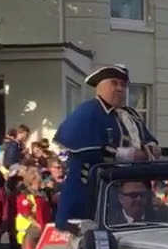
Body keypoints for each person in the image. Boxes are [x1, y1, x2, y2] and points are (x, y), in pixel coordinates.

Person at [53, 64, 159, 229]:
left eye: (123, 85)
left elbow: (148, 139)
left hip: (126, 192)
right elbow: (86, 151)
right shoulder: (87, 111)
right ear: (100, 87)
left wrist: (151, 148)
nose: (120, 89)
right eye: (114, 83)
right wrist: (127, 155)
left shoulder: (130, 114)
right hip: (90, 188)